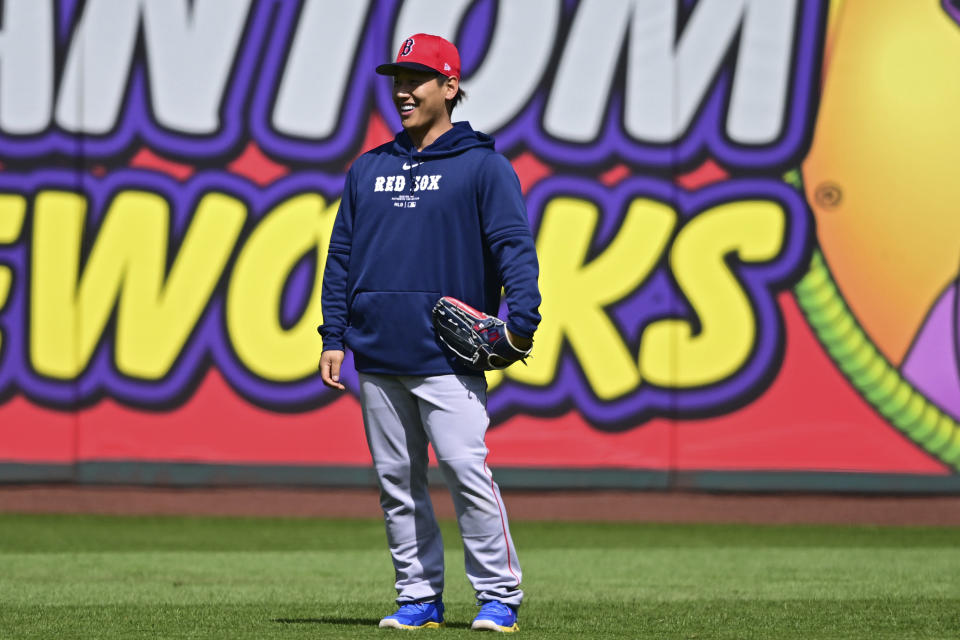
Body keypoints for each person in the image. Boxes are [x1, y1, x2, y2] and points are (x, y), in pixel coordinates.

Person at [317, 33, 541, 632]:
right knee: (398, 484)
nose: (403, 90)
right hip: (378, 350)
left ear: (449, 86)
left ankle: (499, 596)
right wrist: (333, 335)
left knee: (467, 473)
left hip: (448, 353)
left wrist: (522, 321)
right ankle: (418, 595)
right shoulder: (370, 168)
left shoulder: (483, 167)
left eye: (417, 79)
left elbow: (513, 247)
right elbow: (341, 256)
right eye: (398, 79)